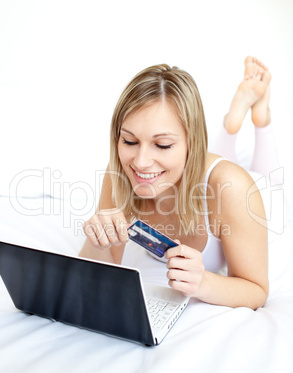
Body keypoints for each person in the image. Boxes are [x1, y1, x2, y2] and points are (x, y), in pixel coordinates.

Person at [79, 56, 278, 310]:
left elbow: (257, 290)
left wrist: (203, 283)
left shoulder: (234, 188)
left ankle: (257, 120)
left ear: (191, 144)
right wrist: (97, 241)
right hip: (195, 174)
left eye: (162, 145)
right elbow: (101, 270)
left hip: (254, 195)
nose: (140, 162)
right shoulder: (121, 172)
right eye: (129, 141)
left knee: (269, 178)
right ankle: (231, 125)